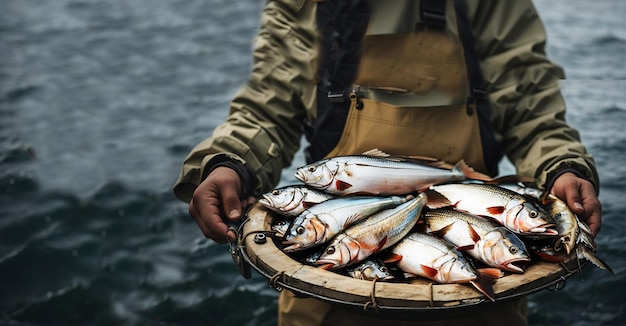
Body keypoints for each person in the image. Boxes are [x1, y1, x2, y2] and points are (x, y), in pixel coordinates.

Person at [173, 0, 602, 325]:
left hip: (478, 294)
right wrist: (229, 164)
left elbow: (535, 115)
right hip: (330, 303)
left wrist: (563, 167)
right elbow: (267, 109)